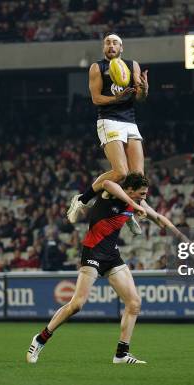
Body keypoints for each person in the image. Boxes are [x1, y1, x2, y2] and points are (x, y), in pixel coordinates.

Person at [27, 173, 188, 364]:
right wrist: (135, 205)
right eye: (141, 193)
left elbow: (160, 220)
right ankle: (40, 339)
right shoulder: (111, 194)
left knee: (134, 303)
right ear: (129, 190)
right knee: (77, 304)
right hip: (93, 252)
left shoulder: (137, 203)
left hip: (112, 256)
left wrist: (185, 239)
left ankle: (121, 354)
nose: (144, 197)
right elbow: (107, 183)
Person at [67, 32, 149, 235]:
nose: (110, 46)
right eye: (107, 43)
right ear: (104, 48)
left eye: (115, 43)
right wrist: (116, 98)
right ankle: (82, 199)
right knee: (120, 172)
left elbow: (140, 97)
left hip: (130, 121)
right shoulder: (98, 67)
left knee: (138, 177)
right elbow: (96, 99)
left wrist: (145, 90)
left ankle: (126, 212)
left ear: (121, 48)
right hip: (109, 121)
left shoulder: (132, 66)